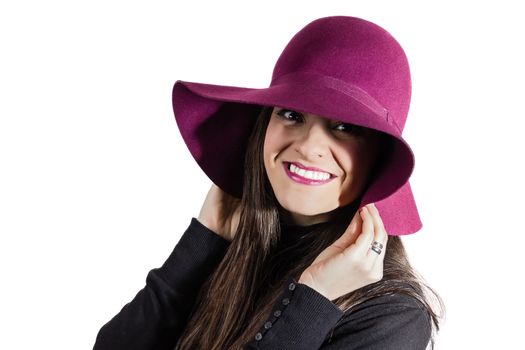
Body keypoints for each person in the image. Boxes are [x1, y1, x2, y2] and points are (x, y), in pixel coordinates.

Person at [93, 15, 444, 349]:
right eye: (291, 115)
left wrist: (313, 301)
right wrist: (202, 241)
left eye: (345, 127)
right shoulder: (229, 252)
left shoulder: (391, 315)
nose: (308, 147)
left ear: (381, 157)